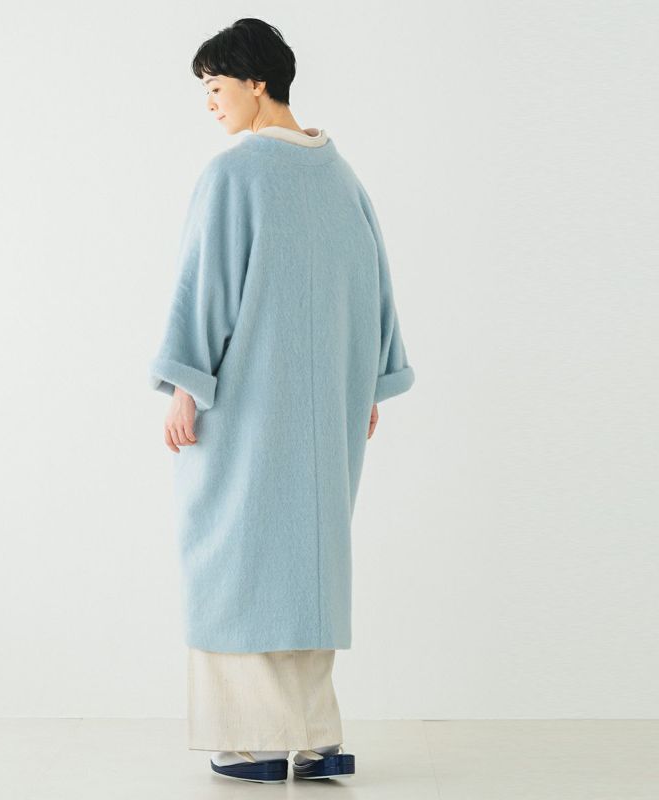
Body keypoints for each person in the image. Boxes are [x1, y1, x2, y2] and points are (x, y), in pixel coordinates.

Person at [148, 18, 415, 784]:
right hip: (326, 413)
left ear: (256, 81)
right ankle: (315, 736)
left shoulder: (234, 174)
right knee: (309, 561)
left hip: (247, 410)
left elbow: (205, 288)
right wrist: (368, 386)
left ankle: (256, 741)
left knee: (235, 555)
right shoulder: (340, 176)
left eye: (215, 86)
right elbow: (372, 287)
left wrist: (185, 386)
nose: (210, 102)